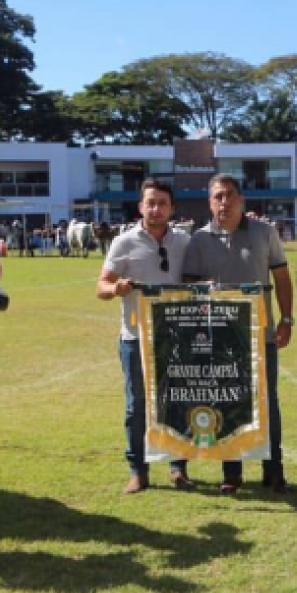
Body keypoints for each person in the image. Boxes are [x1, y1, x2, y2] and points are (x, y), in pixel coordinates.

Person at [182, 174, 294, 494]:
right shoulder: (198, 240)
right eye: (218, 196)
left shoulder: (264, 232)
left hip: (261, 335)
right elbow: (186, 288)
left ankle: (273, 470)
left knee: (267, 403)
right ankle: (231, 473)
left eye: (230, 195)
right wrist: (202, 288)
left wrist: (286, 319)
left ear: (242, 200)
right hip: (219, 339)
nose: (224, 202)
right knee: (226, 403)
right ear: (209, 202)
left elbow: (282, 279)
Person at [97, 181, 193, 494]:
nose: (156, 209)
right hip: (135, 338)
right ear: (140, 207)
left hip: (175, 338)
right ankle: (138, 471)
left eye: (162, 203)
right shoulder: (123, 242)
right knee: (136, 406)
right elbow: (101, 287)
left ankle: (178, 468)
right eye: (150, 203)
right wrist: (116, 288)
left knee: (176, 403)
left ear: (172, 208)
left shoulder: (184, 242)